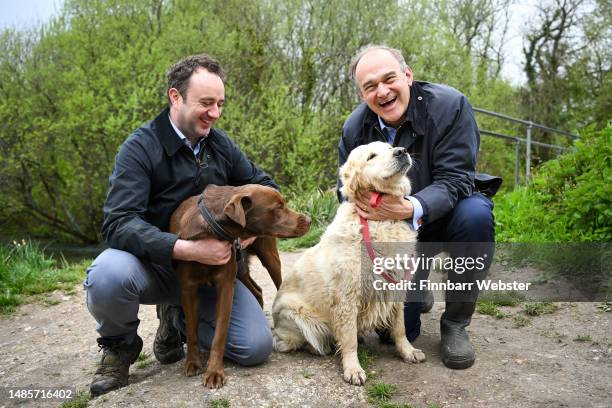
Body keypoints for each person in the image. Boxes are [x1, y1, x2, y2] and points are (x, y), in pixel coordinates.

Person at [84, 54, 277, 396]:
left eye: (220, 104)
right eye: (206, 103)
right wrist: (186, 248)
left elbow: (263, 184)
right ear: (176, 97)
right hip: (157, 267)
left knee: (254, 347)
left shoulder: (219, 144)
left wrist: (247, 234)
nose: (215, 113)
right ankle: (120, 347)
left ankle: (179, 319)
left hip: (212, 274)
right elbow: (117, 223)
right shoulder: (140, 147)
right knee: (106, 274)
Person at [338, 44, 498, 369]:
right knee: (390, 334)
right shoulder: (355, 129)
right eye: (370, 86)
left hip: (446, 214)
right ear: (362, 94)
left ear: (407, 76)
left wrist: (410, 207)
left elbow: (456, 180)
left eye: (389, 79)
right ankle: (417, 286)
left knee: (477, 215)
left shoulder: (450, 106)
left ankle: (455, 324)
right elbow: (348, 194)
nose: (382, 91)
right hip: (394, 235)